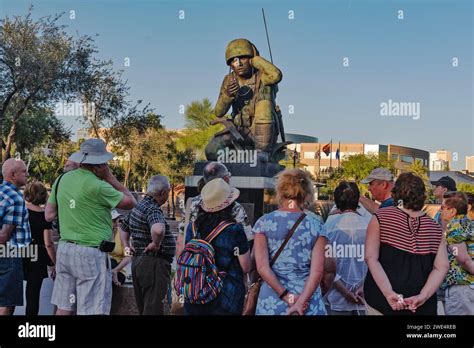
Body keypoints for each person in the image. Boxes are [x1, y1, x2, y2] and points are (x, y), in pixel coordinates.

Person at [45, 138, 136, 315]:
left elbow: (48, 214)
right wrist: (110, 177)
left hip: (65, 249)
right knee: (92, 308)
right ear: (100, 163)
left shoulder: (61, 180)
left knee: (64, 306)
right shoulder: (100, 186)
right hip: (90, 253)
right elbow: (131, 201)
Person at [364, 173, 449, 315]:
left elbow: (370, 258)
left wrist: (388, 293)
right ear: (422, 195)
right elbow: (442, 266)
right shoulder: (434, 227)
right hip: (420, 305)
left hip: (380, 299)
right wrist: (423, 296)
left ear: (396, 193)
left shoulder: (381, 218)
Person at [253, 169, 327, 315]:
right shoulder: (316, 224)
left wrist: (288, 297)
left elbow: (262, 267)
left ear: (280, 191)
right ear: (306, 194)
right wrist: (300, 302)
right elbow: (317, 271)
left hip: (272, 301)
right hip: (307, 301)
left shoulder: (264, 222)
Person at [205, 38, 283, 162]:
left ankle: (262, 154)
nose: (239, 63)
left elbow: (276, 75)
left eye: (243, 58)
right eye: (234, 60)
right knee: (211, 151)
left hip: (263, 133)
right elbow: (219, 112)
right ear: (230, 64)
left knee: (264, 105)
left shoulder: (263, 76)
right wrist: (228, 95)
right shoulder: (229, 80)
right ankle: (241, 159)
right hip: (239, 131)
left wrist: (256, 59)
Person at [183, 178, 251, 315]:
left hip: (196, 291)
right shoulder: (235, 230)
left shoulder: (193, 227)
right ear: (229, 204)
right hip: (226, 296)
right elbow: (246, 266)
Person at [120, 175, 176, 315]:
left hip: (139, 262)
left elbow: (123, 228)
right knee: (153, 308)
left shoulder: (138, 206)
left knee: (145, 306)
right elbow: (158, 230)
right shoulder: (153, 209)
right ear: (163, 193)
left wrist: (126, 246)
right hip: (154, 263)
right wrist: (155, 244)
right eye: (168, 192)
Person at [324, 181, 371, 315]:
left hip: (335, 296)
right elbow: (375, 261)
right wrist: (360, 286)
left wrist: (345, 292)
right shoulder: (370, 225)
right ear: (357, 201)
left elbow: (326, 266)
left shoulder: (328, 227)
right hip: (364, 296)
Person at [182, 162, 252, 246]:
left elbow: (181, 238)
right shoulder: (235, 207)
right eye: (229, 176)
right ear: (226, 179)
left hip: (196, 257)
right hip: (226, 257)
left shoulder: (191, 204)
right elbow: (248, 239)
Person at [0, 158, 31, 315]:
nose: (28, 174)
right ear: (13, 174)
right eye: (24, 171)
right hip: (10, 254)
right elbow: (3, 236)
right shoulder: (16, 198)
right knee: (8, 300)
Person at [23, 182, 56, 315]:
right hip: (37, 255)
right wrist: (54, 263)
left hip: (19, 252)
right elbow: (48, 243)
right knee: (33, 296)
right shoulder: (45, 217)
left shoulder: (22, 212)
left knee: (11, 294)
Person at [439, 191, 474, 314]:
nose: (440, 210)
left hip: (461, 287)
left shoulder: (454, 226)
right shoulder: (468, 222)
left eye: (443, 207)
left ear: (452, 211)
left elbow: (462, 258)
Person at [110, 210, 131, 286]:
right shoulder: (102, 234)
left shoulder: (122, 234)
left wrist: (116, 270)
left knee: (112, 262)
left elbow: (128, 256)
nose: (116, 222)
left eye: (117, 220)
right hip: (103, 269)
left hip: (118, 270)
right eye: (113, 220)